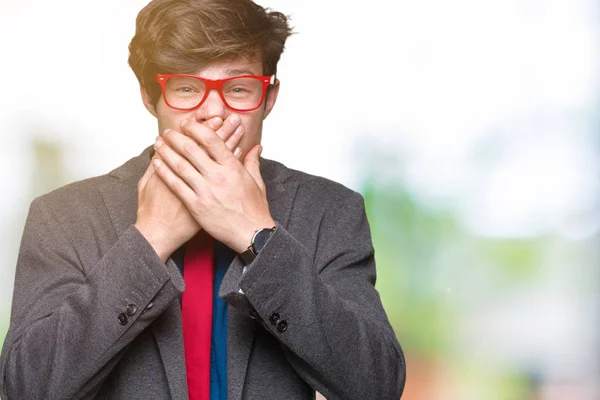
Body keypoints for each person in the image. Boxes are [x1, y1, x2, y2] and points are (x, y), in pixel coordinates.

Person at [0, 0, 406, 398]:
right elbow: (25, 388)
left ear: (268, 98)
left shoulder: (329, 212)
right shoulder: (63, 217)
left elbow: (377, 384)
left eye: (238, 88)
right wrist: (149, 240)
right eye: (187, 88)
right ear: (148, 96)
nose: (213, 113)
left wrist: (258, 236)